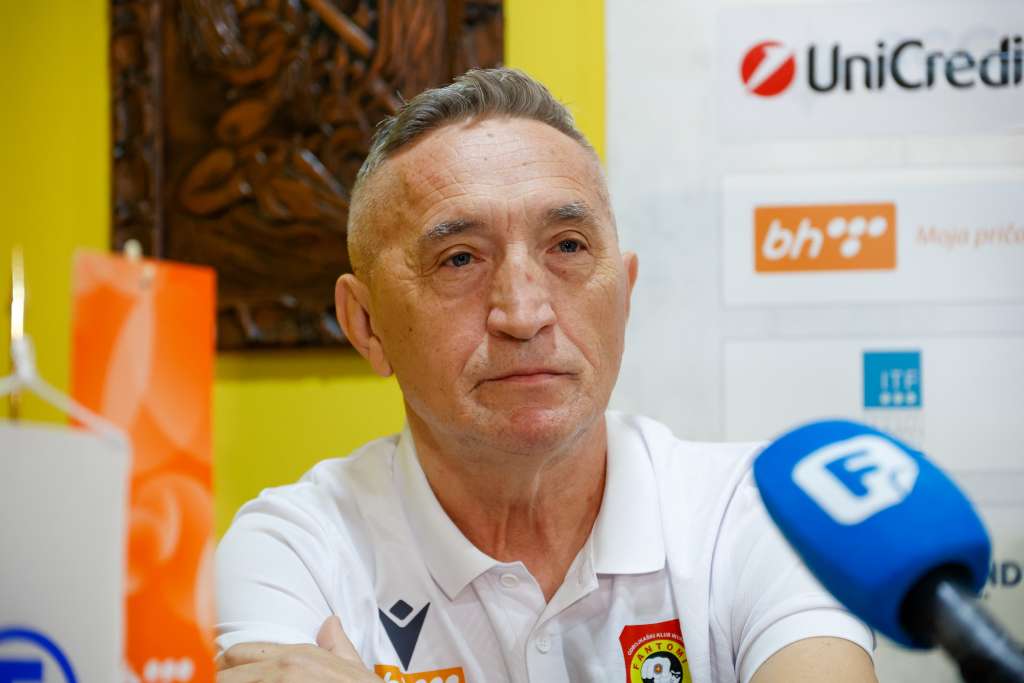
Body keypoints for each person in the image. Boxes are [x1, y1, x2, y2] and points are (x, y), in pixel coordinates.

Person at [215, 67, 877, 683]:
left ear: (624, 295)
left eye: (567, 246)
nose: (524, 314)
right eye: (459, 258)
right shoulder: (296, 548)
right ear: (366, 324)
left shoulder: (764, 512)